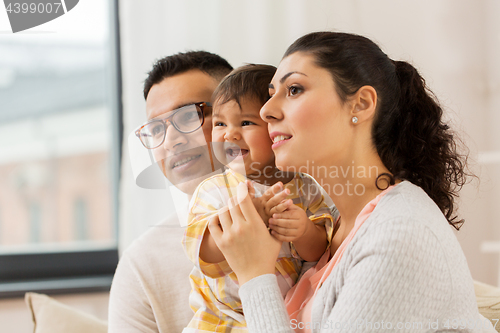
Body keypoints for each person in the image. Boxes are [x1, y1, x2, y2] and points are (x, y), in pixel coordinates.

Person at [207, 32, 496, 332]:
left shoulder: (399, 233)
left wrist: (254, 275)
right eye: (271, 93)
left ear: (360, 104)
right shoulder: (333, 223)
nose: (266, 110)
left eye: (293, 89)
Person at [182, 64, 336, 332]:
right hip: (222, 320)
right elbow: (202, 252)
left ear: (277, 128)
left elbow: (320, 253)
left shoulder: (306, 187)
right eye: (220, 123)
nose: (229, 134)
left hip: (283, 317)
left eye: (246, 123)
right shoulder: (215, 189)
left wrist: (303, 231)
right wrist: (251, 216)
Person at [108, 51, 233, 333]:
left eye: (188, 115)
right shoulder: (141, 264)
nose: (172, 140)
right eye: (155, 128)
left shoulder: (310, 210)